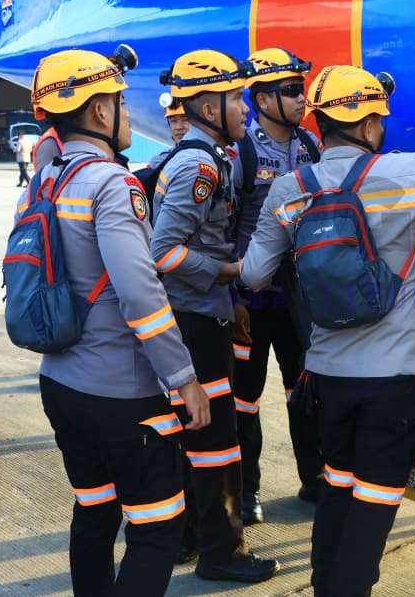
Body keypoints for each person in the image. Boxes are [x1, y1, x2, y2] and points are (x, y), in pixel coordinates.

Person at [241, 64, 415, 596]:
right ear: (368, 124)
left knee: (337, 489)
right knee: (375, 504)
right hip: (394, 373)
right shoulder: (408, 172)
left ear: (320, 123)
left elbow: (255, 274)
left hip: (326, 374)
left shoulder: (289, 188)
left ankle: (325, 586)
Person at [23, 46, 212, 596]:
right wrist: (184, 378)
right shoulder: (111, 184)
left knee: (95, 511)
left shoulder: (43, 180)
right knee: (158, 529)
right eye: (122, 104)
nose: (127, 115)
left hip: (60, 382)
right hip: (121, 394)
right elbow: (141, 294)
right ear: (101, 110)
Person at [150, 49, 277, 583]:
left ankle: (198, 539)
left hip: (205, 314)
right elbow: (163, 252)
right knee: (215, 442)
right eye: (236, 99)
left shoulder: (208, 158)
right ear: (207, 107)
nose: (245, 109)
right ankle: (222, 554)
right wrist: (226, 272)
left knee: (204, 437)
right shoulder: (200, 166)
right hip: (194, 321)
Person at [231, 47, 323, 524]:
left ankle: (314, 476)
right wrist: (231, 299)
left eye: (301, 89)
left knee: (303, 389)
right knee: (244, 401)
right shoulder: (242, 152)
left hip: (298, 299)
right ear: (263, 100)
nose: (301, 98)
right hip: (251, 300)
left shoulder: (311, 145)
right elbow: (223, 228)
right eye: (290, 91)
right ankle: (247, 492)